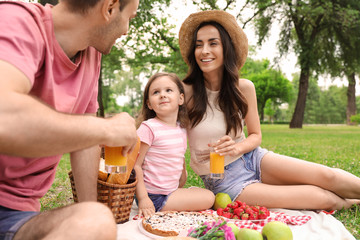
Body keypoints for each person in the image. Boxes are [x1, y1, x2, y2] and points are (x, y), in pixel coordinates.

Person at [178, 10, 360, 211]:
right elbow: (164, 132)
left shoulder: (244, 88)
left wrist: (237, 148)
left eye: (213, 43)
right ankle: (351, 204)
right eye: (198, 45)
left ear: (226, 48)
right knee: (322, 198)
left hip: (252, 158)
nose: (204, 51)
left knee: (328, 176)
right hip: (225, 181)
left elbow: (255, 135)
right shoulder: (184, 92)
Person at [0, 0, 139, 239]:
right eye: (130, 17)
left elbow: (85, 141)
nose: (126, 29)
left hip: (17, 215)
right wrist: (106, 128)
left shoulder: (91, 54)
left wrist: (97, 221)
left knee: (95, 220)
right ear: (109, 8)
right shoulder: (15, 19)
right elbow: (4, 117)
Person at [134, 72, 215, 217]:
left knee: (206, 195)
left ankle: (175, 203)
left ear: (181, 98)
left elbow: (178, 159)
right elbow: (135, 165)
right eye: (156, 92)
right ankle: (165, 207)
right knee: (209, 198)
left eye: (168, 90)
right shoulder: (149, 128)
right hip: (153, 196)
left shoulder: (181, 129)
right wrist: (143, 198)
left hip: (170, 191)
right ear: (149, 104)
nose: (162, 95)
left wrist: (180, 182)